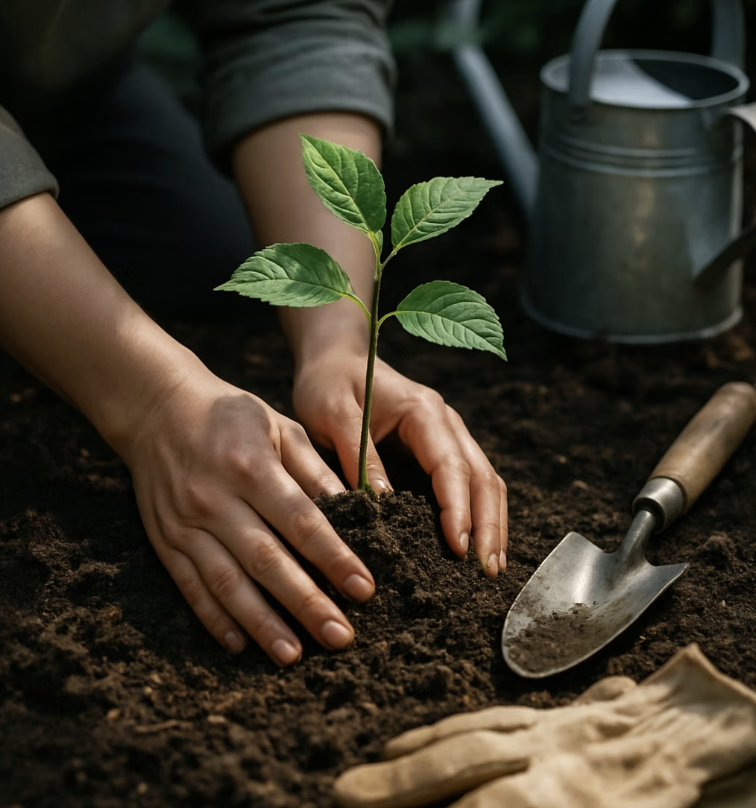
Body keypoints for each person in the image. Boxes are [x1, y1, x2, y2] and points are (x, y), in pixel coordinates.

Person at [0, 1, 508, 667]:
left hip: (57, 81)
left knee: (206, 254)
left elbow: (297, 13)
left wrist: (337, 340)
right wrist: (156, 401)